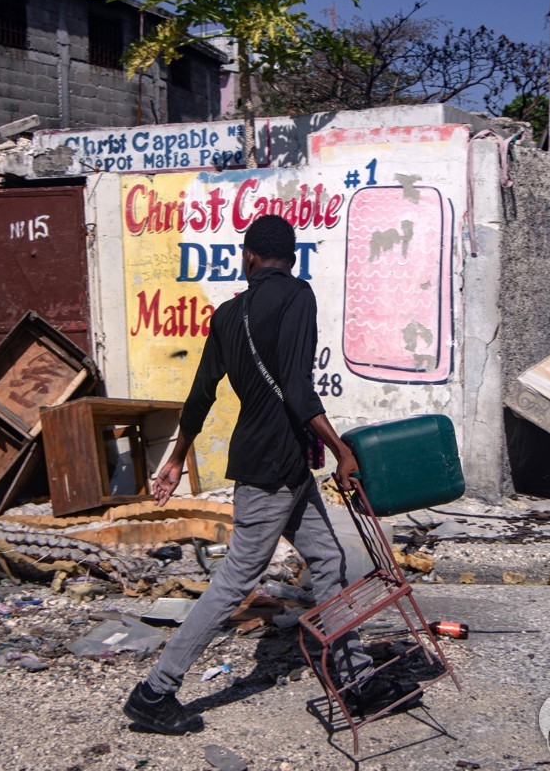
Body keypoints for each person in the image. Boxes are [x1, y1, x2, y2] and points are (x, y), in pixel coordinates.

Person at [123, 214, 419, 735]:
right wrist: (341, 450)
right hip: (273, 467)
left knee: (328, 559)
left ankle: (354, 678)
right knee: (235, 580)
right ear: (292, 257)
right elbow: (299, 391)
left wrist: (175, 457)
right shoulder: (297, 296)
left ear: (249, 257)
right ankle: (155, 691)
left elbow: (200, 395)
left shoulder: (226, 315)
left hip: (278, 463)